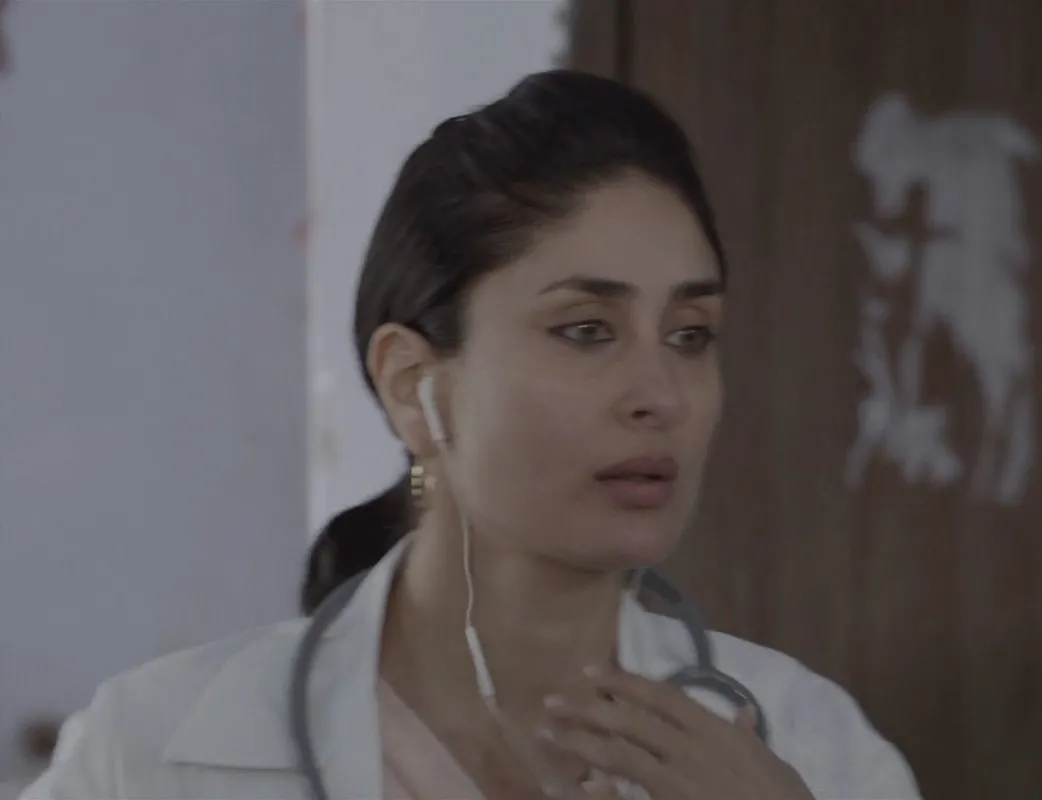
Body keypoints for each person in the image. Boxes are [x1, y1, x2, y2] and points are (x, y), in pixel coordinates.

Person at [22, 70, 919, 800]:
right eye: (587, 330)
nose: (661, 395)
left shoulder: (812, 748)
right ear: (413, 387)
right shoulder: (148, 755)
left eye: (689, 335)